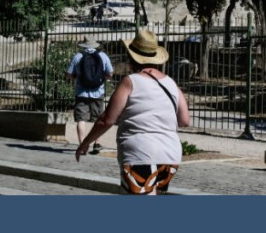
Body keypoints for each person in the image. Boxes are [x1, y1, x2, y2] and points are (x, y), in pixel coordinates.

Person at [75, 29, 191, 195]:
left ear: (132, 57)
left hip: (140, 153)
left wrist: (85, 143)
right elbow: (185, 121)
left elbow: (106, 119)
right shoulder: (171, 83)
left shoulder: (130, 82)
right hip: (170, 155)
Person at [66, 38, 114, 155]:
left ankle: (82, 145)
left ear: (84, 45)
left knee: (81, 119)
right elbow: (110, 73)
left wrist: (78, 78)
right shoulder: (102, 56)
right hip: (98, 92)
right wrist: (101, 79)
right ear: (95, 45)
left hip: (81, 93)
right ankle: (97, 143)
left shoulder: (78, 56)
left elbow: (69, 74)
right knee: (98, 119)